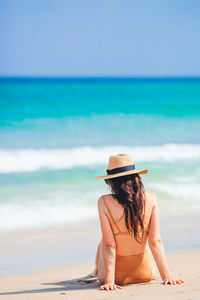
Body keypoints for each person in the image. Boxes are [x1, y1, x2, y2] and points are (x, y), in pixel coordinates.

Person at [93, 153, 184, 291]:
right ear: (136, 178)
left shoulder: (103, 202)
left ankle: (94, 271)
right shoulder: (151, 198)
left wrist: (109, 281)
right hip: (145, 273)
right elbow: (155, 241)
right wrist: (167, 277)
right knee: (140, 234)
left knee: (105, 239)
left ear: (111, 182)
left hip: (115, 276)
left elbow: (109, 245)